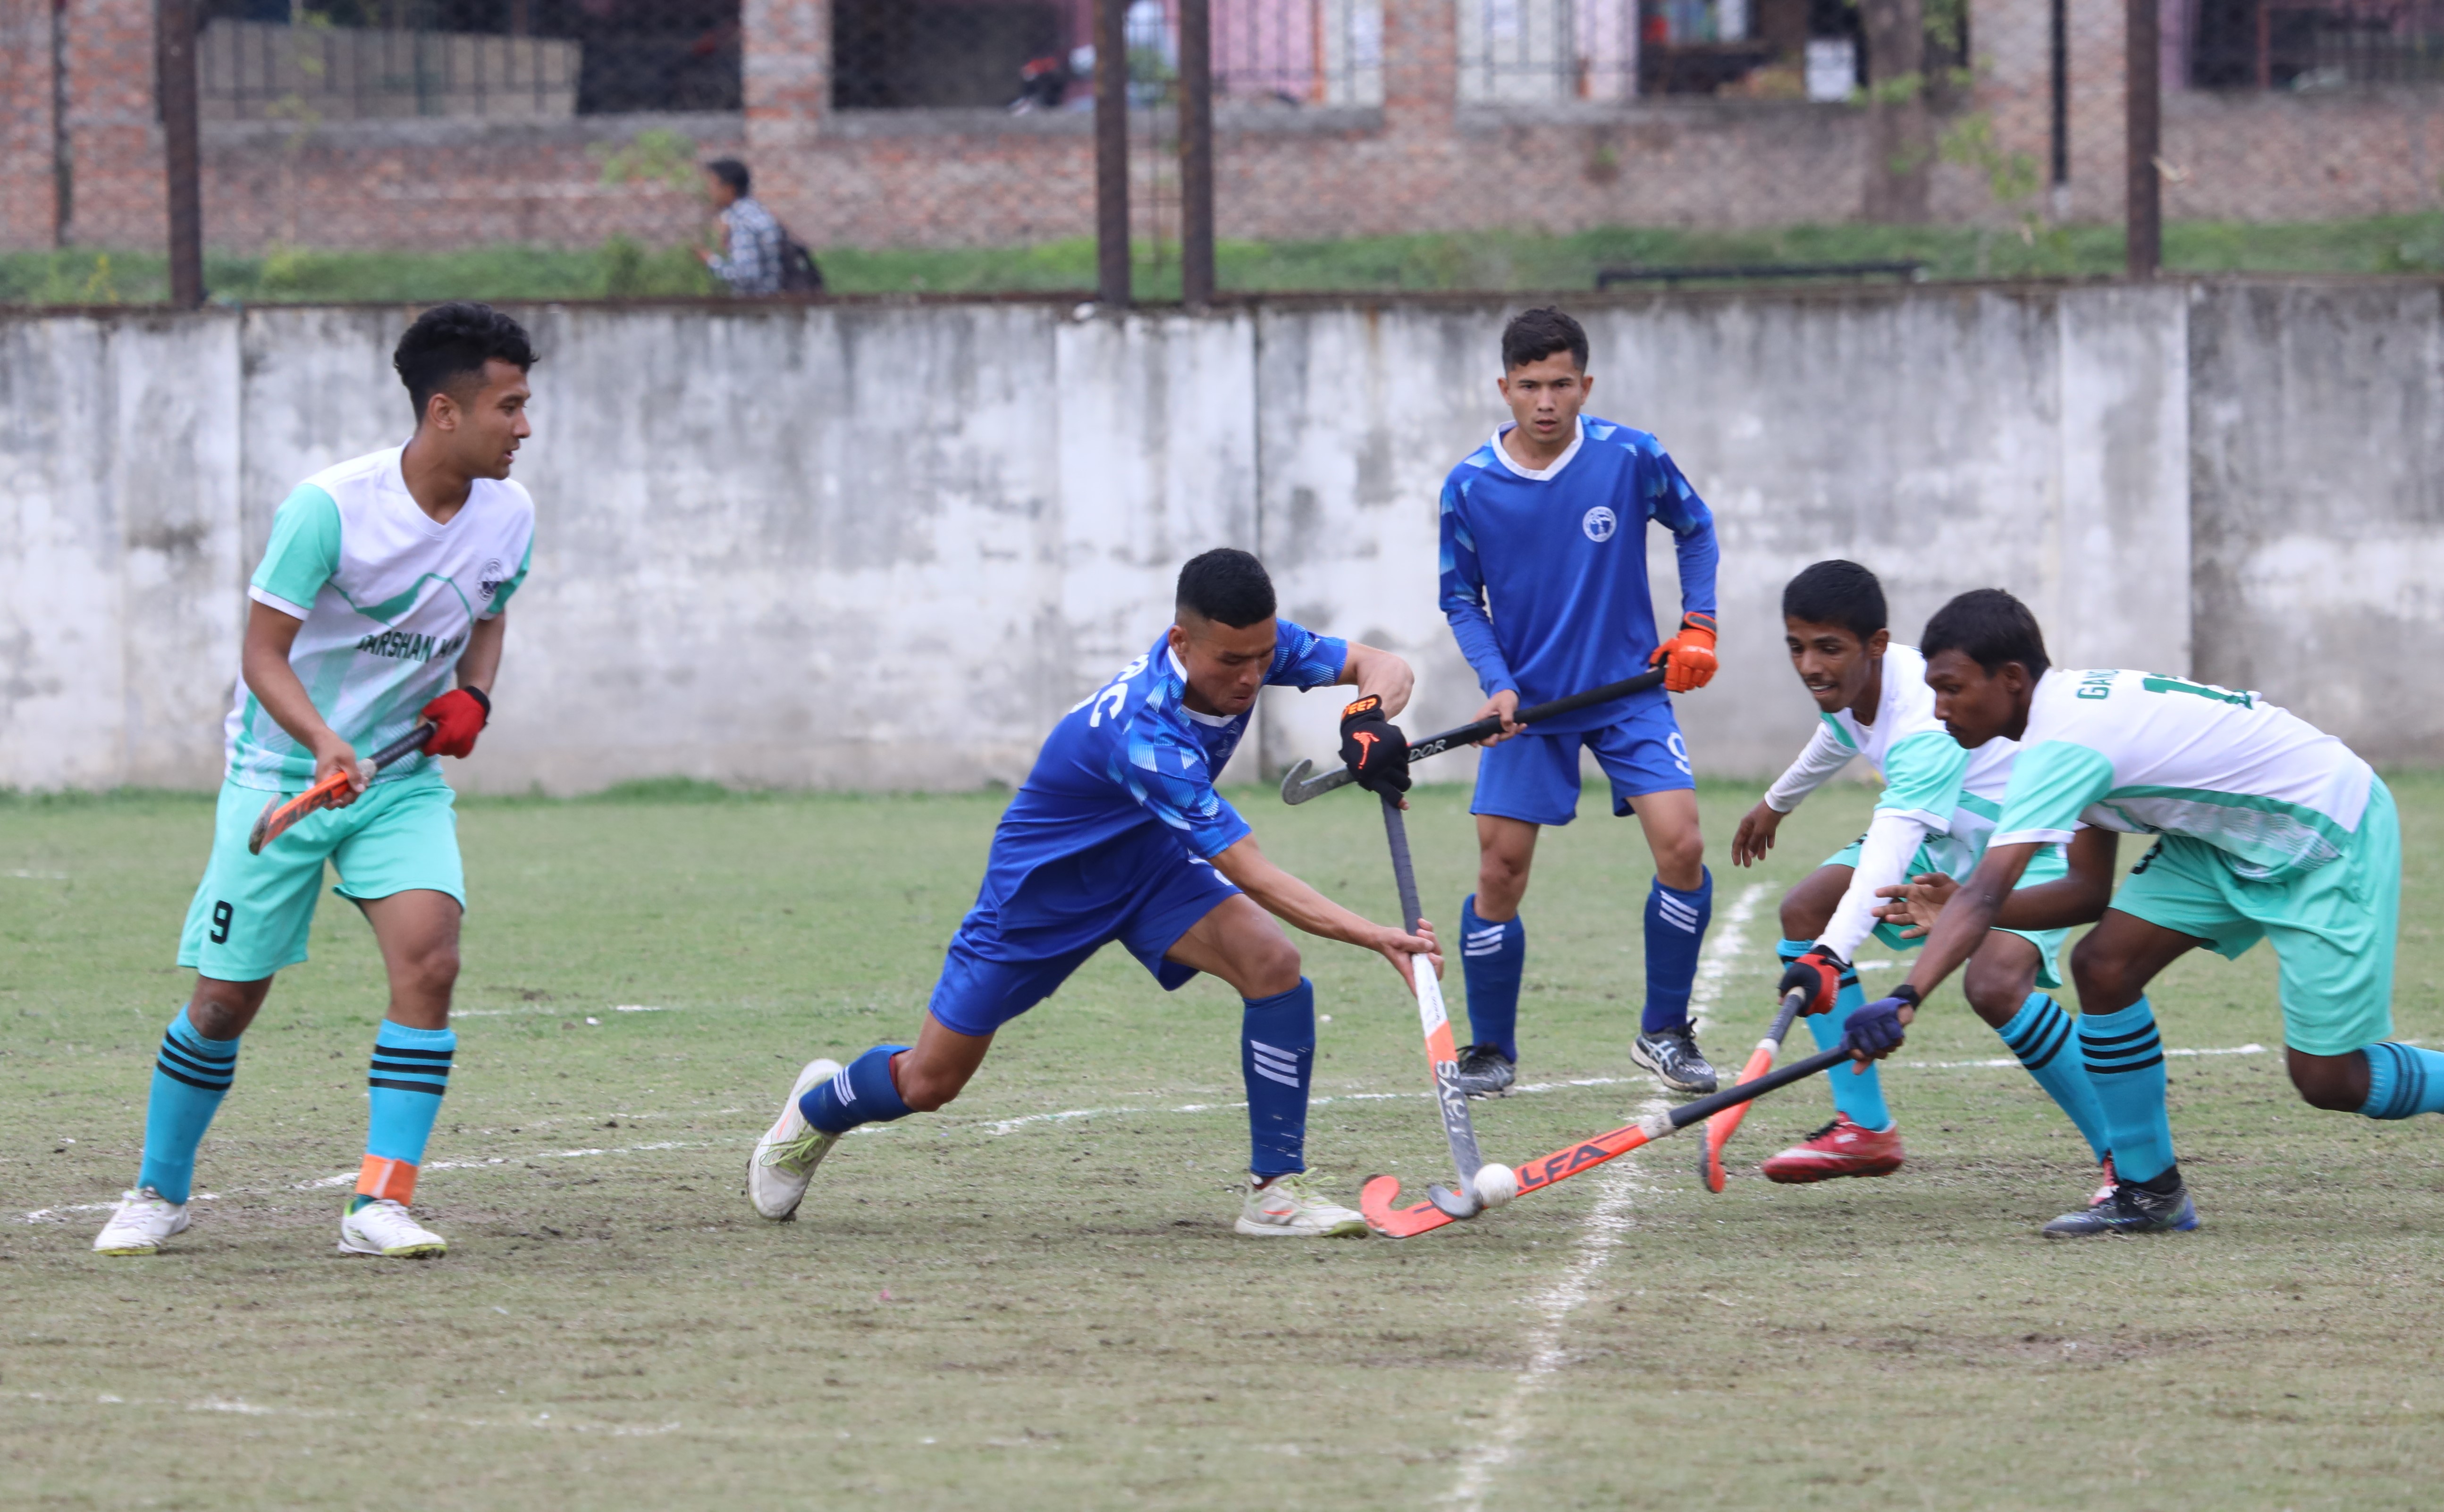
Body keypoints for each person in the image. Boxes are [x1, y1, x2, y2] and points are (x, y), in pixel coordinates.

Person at [746, 549, 1439, 1237]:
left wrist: (1366, 716)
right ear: (1180, 642)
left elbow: (1384, 665)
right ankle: (817, 1109)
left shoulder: (1254, 647)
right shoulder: (1148, 733)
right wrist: (1375, 935)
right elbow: (1251, 870)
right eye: (1232, 662)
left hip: (1149, 868)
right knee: (929, 1083)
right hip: (1042, 894)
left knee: (1271, 962)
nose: (1251, 677)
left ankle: (1275, 1193)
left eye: (1262, 658)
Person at [92, 303, 538, 1260]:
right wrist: (325, 742)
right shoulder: (328, 509)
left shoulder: (511, 512)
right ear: (445, 410)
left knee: (431, 960)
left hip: (398, 781)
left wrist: (474, 695)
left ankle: (380, 1202)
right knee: (223, 1003)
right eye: (509, 407)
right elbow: (262, 655)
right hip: (283, 777)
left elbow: (490, 611)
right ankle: (158, 1190)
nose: (525, 428)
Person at [1843, 587, 2444, 1237]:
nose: (1939, 709)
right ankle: (2148, 1192)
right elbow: (2084, 892)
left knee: (2329, 1080)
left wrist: (1905, 996)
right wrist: (1968, 910)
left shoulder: (2062, 744)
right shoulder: (2054, 725)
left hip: (2323, 831)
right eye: (1933, 691)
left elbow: (1988, 891)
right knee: (2104, 966)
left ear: (2011, 678)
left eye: (1952, 689)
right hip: (2223, 840)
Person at [1731, 561, 2117, 1196]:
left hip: (2023, 838)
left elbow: (1892, 842)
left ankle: (2126, 1155)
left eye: (1827, 648)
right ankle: (1863, 1129)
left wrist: (1830, 955)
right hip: (1947, 835)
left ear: (1875, 646)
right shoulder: (1856, 683)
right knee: (1806, 909)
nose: (1810, 666)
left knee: (1995, 985)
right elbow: (1840, 734)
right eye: (1796, 648)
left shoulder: (1923, 724)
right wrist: (1777, 802)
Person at [1438, 306, 1723, 1099]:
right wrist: (1497, 684)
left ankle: (1664, 1032)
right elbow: (1459, 599)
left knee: (1682, 844)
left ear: (1585, 386)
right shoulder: (1469, 485)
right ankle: (1490, 1051)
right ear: (1503, 387)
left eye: (1560, 384)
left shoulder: (1629, 456)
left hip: (1629, 691)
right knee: (1500, 870)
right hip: (1528, 708)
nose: (1545, 401)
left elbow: (1695, 528)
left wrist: (1697, 626)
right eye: (1529, 385)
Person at [696, 158, 785, 296]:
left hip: (757, 304)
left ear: (729, 188)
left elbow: (745, 276)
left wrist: (711, 261)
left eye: (712, 185)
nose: (708, 191)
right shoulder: (754, 212)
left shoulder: (742, 221)